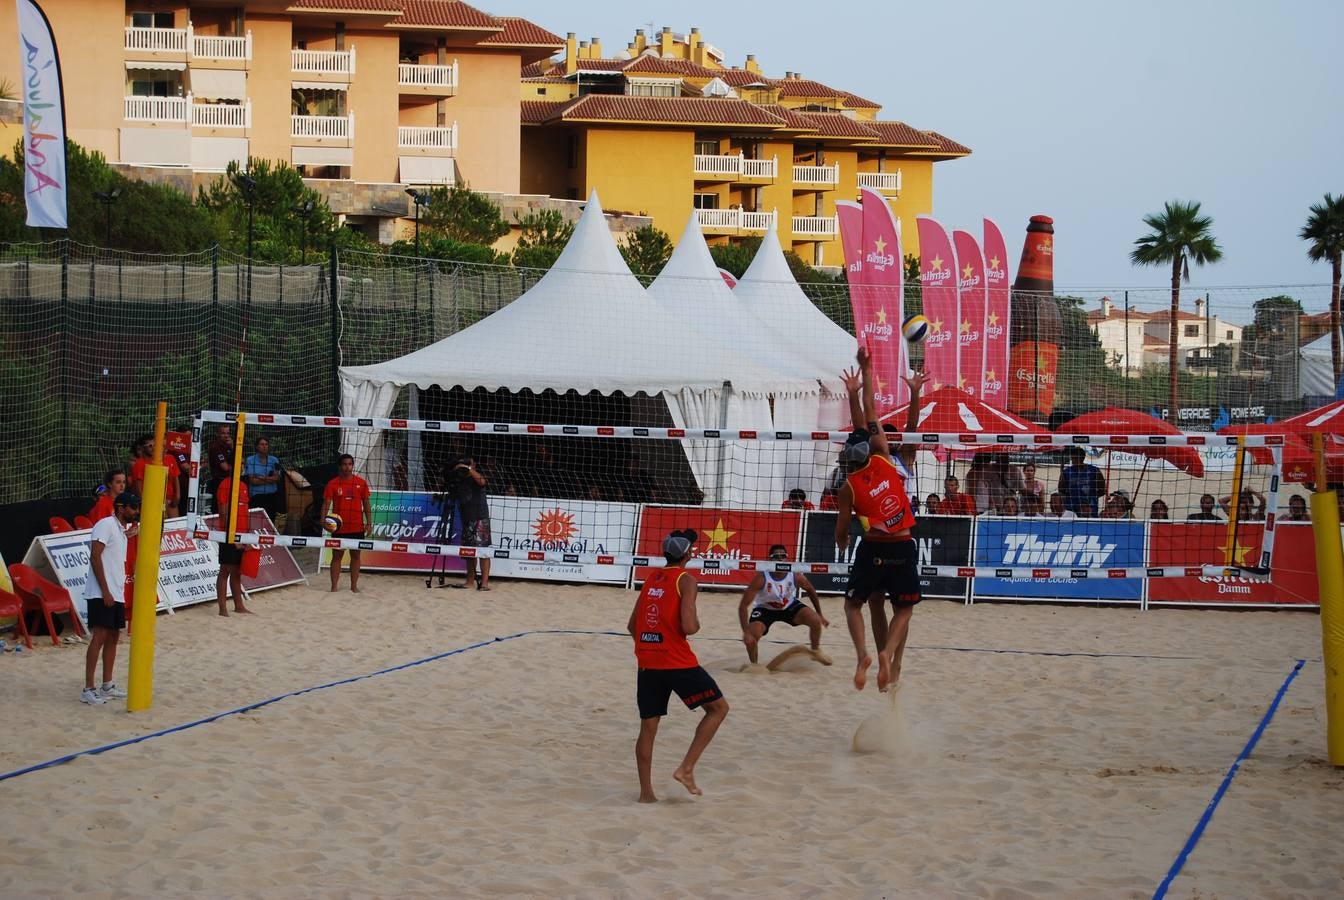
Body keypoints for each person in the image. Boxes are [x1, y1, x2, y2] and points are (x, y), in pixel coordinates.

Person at [835, 347, 928, 693]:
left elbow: (895, 424)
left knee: (872, 602)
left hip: (873, 540)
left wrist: (860, 387)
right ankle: (889, 658)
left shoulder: (894, 459)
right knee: (895, 606)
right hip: (899, 539)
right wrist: (912, 391)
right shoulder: (889, 459)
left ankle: (885, 658)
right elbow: (870, 422)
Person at [628, 529, 729, 802]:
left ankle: (646, 794)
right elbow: (689, 626)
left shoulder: (650, 579)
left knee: (648, 726)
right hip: (675, 661)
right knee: (718, 709)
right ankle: (686, 769)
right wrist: (694, 624)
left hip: (647, 661)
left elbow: (631, 626)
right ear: (688, 554)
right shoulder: (686, 580)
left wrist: (652, 639)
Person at [81, 491, 139, 705]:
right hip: (101, 592)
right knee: (99, 637)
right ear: (121, 508)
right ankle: (88, 688)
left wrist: (128, 535)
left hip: (116, 591)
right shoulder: (105, 524)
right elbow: (95, 556)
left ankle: (107, 684)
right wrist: (105, 590)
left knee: (114, 637)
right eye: (133, 507)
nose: (136, 512)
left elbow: (113, 557)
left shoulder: (119, 530)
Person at [738, 544, 829, 664]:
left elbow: (811, 590)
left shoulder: (795, 576)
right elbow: (743, 606)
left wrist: (820, 614)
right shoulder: (761, 578)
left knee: (816, 620)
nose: (780, 559)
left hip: (788, 606)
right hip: (765, 609)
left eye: (783, 556)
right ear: (770, 559)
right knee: (750, 639)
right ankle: (754, 665)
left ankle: (815, 652)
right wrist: (746, 632)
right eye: (776, 556)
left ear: (787, 558)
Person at [322, 453, 373, 593]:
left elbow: (367, 504)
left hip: (357, 527)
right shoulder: (333, 483)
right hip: (339, 528)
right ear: (340, 466)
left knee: (356, 556)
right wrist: (323, 520)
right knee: (337, 556)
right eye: (344, 464)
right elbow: (326, 504)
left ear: (353, 465)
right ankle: (334, 587)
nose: (347, 467)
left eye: (350, 464)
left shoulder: (361, 483)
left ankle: (354, 586)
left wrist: (369, 523)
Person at [447, 455, 492, 591]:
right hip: (466, 519)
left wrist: (468, 469)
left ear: (474, 465)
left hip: (480, 518)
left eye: (469, 464)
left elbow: (482, 482)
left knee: (483, 552)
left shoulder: (476, 476)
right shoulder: (459, 479)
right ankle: (470, 582)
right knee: (468, 553)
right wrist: (455, 469)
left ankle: (484, 584)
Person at [213, 474, 254, 616]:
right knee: (225, 570)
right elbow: (224, 513)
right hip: (228, 535)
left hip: (242, 534)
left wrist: (247, 536)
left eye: (243, 463)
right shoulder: (225, 485)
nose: (242, 466)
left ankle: (239, 606)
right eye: (240, 462)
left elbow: (246, 511)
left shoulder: (243, 486)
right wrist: (233, 538)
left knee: (237, 572)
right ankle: (222, 609)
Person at [128, 433, 179, 518]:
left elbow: (175, 478)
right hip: (153, 501)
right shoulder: (139, 464)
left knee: (174, 525)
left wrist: (177, 495)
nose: (153, 448)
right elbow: (138, 487)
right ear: (143, 448)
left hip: (170, 499)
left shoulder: (168, 459)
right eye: (150, 446)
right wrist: (145, 503)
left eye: (154, 445)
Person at [243, 436, 285, 522]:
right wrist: (270, 479)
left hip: (271, 496)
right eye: (262, 444)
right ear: (257, 446)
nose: (264, 446)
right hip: (256, 497)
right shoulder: (250, 460)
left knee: (271, 521)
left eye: (266, 444)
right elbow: (253, 481)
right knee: (256, 522)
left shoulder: (274, 460)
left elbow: (277, 479)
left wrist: (261, 477)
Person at [1058, 447, 1107, 517]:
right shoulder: (1066, 472)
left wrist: (1090, 498)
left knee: (1091, 527)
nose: (1073, 461)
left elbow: (1102, 490)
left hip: (1089, 509)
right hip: (1071, 508)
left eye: (1075, 458)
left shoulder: (1094, 471)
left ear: (1082, 458)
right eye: (1072, 458)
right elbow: (1061, 490)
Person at [206, 425, 235, 506]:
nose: (226, 436)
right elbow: (225, 467)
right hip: (219, 482)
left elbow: (241, 462)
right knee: (219, 507)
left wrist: (233, 447)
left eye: (228, 433)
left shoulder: (229, 446)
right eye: (223, 433)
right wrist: (236, 468)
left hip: (229, 481)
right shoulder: (216, 447)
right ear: (217, 434)